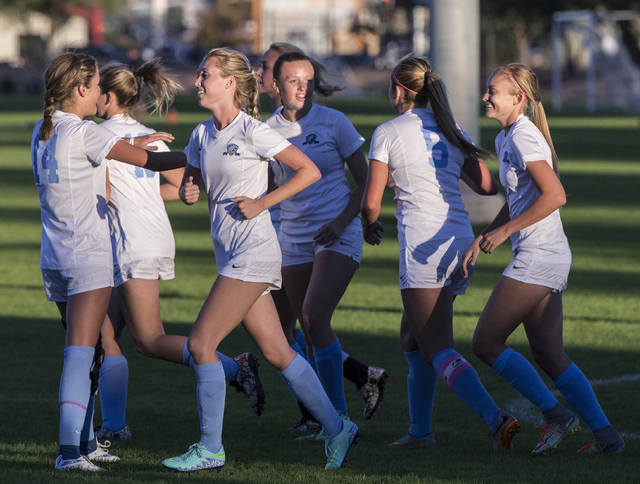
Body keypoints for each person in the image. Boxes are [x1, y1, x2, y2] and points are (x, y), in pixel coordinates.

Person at [161, 47, 360, 473]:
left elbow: (308, 170)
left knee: (200, 344)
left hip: (254, 252)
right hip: (229, 253)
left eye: (205, 75)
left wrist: (263, 202)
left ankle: (210, 449)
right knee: (277, 350)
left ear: (229, 83)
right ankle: (338, 427)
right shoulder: (200, 134)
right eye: (199, 75)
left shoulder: (253, 131)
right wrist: (188, 190)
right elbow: (193, 178)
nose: (198, 82)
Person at [92, 59, 265, 443]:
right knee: (105, 336)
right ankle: (112, 426)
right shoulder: (146, 134)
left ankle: (235, 369)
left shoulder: (96, 136)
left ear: (106, 95)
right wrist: (141, 198)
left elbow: (97, 196)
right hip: (151, 237)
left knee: (148, 339)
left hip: (128, 244)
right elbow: (179, 184)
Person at [32, 52, 187, 472]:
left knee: (96, 348)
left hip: (55, 257)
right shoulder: (85, 133)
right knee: (82, 352)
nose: (101, 91)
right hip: (88, 257)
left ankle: (85, 443)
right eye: (98, 84)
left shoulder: (42, 130)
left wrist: (132, 142)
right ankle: (69, 453)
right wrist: (202, 154)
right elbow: (155, 163)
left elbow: (112, 151)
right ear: (82, 89)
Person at [462, 63, 625, 455]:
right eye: (487, 90)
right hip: (543, 254)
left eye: (493, 91)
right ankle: (608, 439)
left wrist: (503, 232)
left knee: (485, 341)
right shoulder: (507, 137)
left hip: (540, 256)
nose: (486, 96)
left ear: (517, 98)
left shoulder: (523, 137)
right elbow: (521, 200)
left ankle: (556, 415)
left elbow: (555, 195)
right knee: (549, 355)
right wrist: (487, 233)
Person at [361, 55, 519, 449]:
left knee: (437, 349)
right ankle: (420, 432)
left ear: (398, 89)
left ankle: (495, 419)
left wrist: (369, 225)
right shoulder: (449, 127)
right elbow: (486, 186)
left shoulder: (388, 131)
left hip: (424, 248)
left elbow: (370, 203)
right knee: (412, 338)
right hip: (459, 244)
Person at [257, 43, 388, 424]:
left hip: (338, 233)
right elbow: (267, 188)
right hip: (294, 238)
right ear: (277, 86)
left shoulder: (334, 122)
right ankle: (328, 416)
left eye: (309, 81)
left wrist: (351, 221)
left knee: (314, 318)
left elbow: (366, 180)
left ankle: (338, 420)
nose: (302, 88)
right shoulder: (266, 133)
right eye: (293, 81)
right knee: (308, 334)